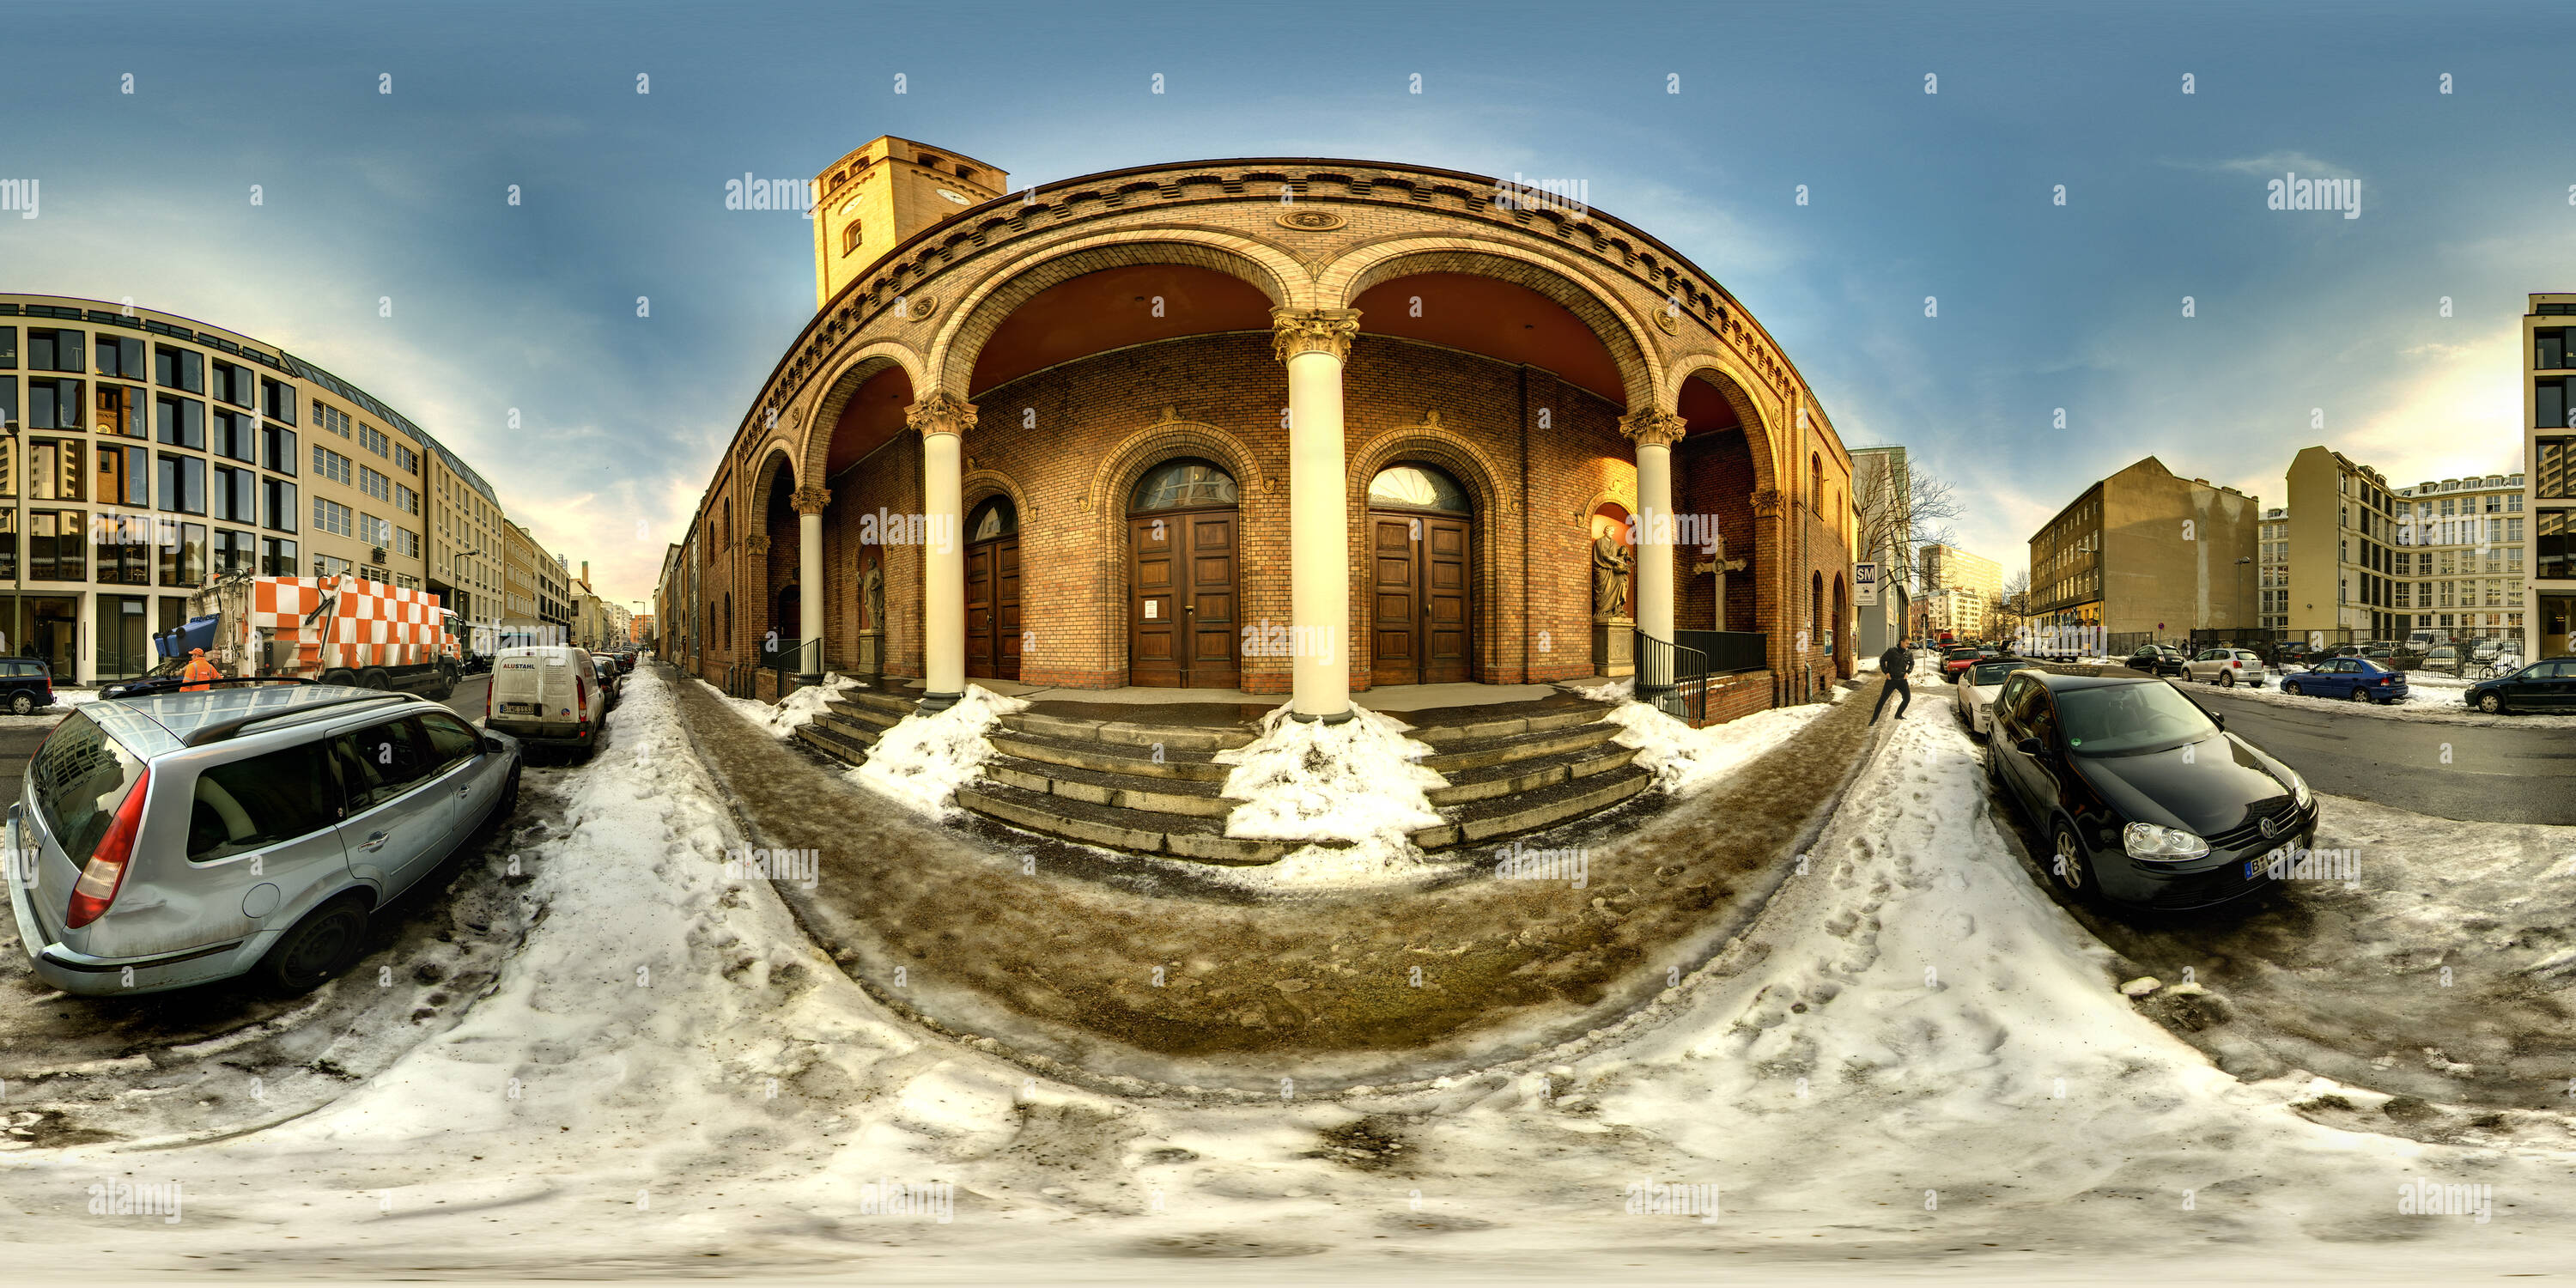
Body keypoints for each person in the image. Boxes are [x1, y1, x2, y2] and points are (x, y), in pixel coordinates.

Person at [1871, 641, 1913, 723]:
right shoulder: (1892, 651)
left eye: (1909, 644)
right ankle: (1874, 719)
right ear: (1902, 642)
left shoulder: (1909, 653)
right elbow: (1882, 660)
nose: (1908, 645)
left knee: (1907, 698)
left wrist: (1908, 672)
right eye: (1907, 643)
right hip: (1891, 680)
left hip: (1902, 681)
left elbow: (1912, 663)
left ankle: (1898, 715)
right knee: (1882, 700)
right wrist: (1886, 672)